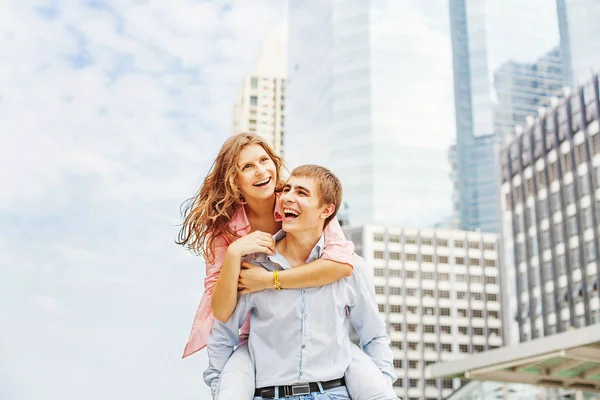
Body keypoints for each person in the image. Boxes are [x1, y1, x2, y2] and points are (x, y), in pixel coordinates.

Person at [178, 134, 396, 399]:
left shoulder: (296, 199)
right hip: (257, 338)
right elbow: (221, 313)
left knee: (369, 381)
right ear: (233, 180)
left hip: (320, 353)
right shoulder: (224, 230)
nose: (260, 171)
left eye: (264, 160)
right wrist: (236, 253)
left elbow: (341, 265)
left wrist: (270, 281)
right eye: (247, 167)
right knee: (232, 383)